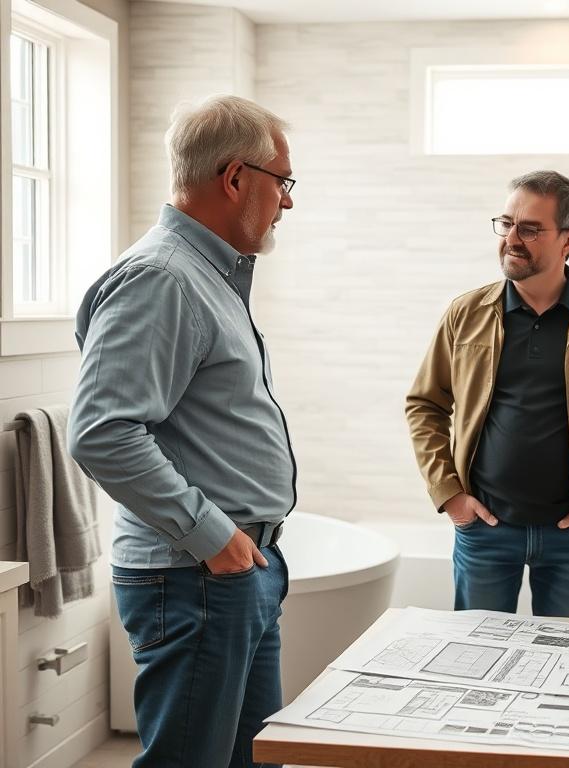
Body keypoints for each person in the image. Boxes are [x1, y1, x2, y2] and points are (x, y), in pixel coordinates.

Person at [68, 94, 297, 768]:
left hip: (231, 570)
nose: (287, 201)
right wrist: (214, 536)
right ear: (234, 177)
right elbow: (102, 432)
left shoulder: (208, 274)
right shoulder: (163, 278)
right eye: (281, 181)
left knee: (248, 760)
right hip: (197, 574)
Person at [406, 170, 569, 619]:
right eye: (506, 223)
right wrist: (449, 494)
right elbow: (425, 405)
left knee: (566, 666)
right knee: (476, 661)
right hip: (485, 532)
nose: (512, 238)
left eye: (529, 229)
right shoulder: (465, 314)